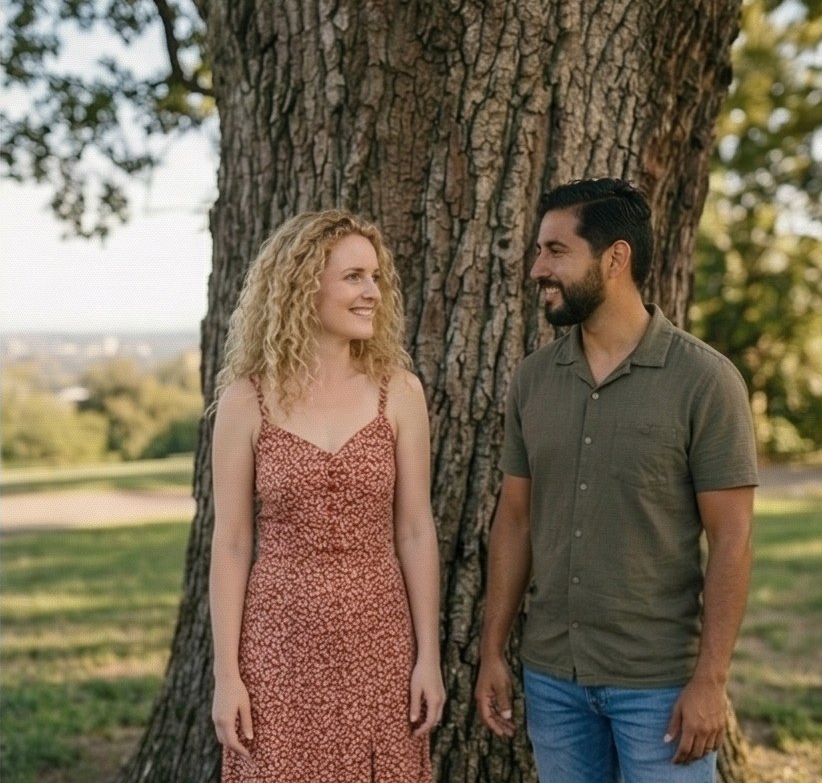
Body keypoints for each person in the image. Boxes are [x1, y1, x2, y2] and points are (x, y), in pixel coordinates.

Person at [475, 178, 758, 783]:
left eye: (555, 251)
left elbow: (732, 540)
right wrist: (493, 649)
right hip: (553, 682)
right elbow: (515, 520)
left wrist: (710, 681)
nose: (536, 270)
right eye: (537, 251)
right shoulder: (533, 380)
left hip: (660, 689)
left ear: (615, 257)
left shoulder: (705, 381)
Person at [209, 210, 445, 782]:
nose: (372, 293)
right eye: (354, 277)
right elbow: (233, 540)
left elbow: (415, 530)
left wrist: (428, 660)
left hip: (380, 644)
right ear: (303, 283)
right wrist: (227, 675)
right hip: (277, 645)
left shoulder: (400, 391)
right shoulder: (247, 400)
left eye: (375, 278)